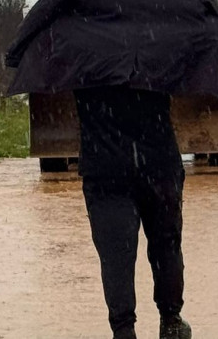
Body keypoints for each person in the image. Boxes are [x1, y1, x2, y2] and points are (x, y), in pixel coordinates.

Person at [73, 85, 191, 339]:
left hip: (105, 172)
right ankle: (171, 320)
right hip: (159, 167)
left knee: (115, 257)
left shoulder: (80, 63)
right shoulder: (158, 61)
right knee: (166, 246)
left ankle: (124, 330)